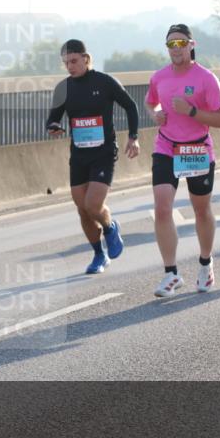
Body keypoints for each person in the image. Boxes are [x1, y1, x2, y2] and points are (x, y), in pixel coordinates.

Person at [144, 24, 220, 297]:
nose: (176, 49)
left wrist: (192, 110)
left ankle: (205, 263)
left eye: (181, 44)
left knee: (201, 210)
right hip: (167, 147)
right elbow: (150, 102)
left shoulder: (206, 79)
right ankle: (171, 273)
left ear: (192, 45)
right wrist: (155, 114)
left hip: (197, 150)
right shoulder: (159, 77)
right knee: (161, 207)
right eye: (171, 44)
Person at [47, 39, 139, 275]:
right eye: (66, 63)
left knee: (92, 204)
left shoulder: (104, 82)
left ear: (86, 59)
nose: (70, 66)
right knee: (82, 209)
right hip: (78, 155)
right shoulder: (63, 88)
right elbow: (53, 117)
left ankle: (110, 226)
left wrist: (133, 136)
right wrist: (54, 126)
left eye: (74, 61)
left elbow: (130, 106)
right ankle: (99, 254)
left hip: (103, 153)